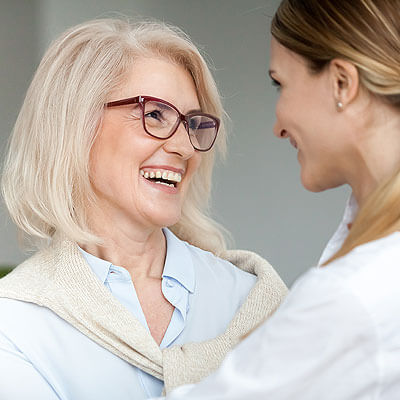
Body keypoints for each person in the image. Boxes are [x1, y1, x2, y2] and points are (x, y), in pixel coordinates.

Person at [0, 19, 287, 399]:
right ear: (75, 124)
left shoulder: (252, 299)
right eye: (155, 115)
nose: (185, 148)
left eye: (193, 125)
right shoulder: (17, 320)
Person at [154, 0, 400, 398]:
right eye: (153, 117)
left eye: (280, 83)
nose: (278, 126)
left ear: (342, 83)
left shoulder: (355, 296)